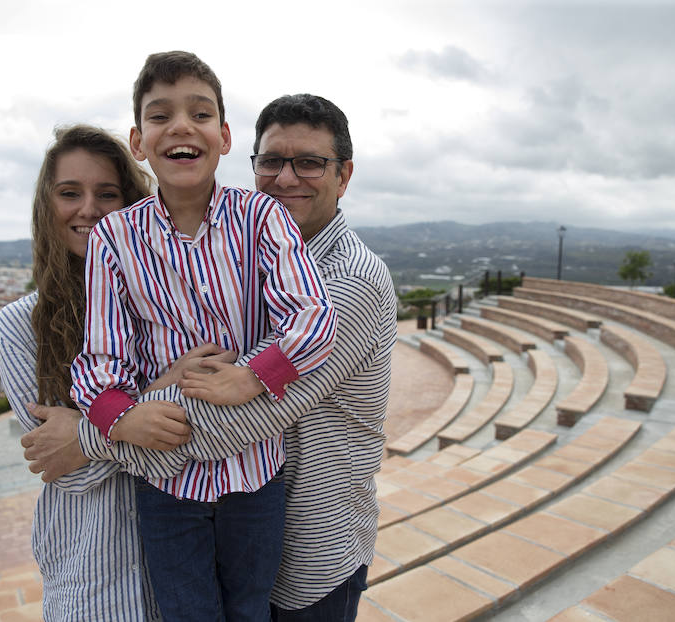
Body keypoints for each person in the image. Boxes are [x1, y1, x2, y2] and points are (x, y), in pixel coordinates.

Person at [24, 94, 397, 621]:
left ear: (345, 174)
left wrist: (86, 435)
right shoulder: (256, 257)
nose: (286, 178)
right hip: (246, 534)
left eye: (310, 162)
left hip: (311, 560)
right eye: (270, 161)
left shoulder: (347, 282)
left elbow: (234, 419)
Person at [68, 52, 337, 621]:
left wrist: (252, 376)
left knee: (249, 611)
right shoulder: (115, 239)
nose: (182, 126)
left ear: (225, 136)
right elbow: (98, 362)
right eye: (161, 116)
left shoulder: (262, 217)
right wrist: (120, 417)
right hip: (166, 482)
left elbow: (314, 318)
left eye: (200, 113)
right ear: (140, 142)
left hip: (255, 474)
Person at [0, 124, 166, 620]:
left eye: (107, 193)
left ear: (133, 204)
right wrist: (163, 387)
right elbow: (67, 467)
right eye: (70, 193)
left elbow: (199, 431)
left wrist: (85, 432)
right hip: (91, 575)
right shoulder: (21, 324)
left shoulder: (166, 303)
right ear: (47, 206)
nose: (88, 209)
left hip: (188, 562)